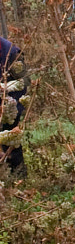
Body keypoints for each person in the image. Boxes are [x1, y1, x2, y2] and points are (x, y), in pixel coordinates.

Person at [1, 36, 26, 178]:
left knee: (10, 138)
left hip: (9, 104)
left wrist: (9, 106)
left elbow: (22, 84)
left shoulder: (12, 54)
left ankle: (18, 177)